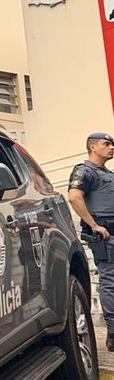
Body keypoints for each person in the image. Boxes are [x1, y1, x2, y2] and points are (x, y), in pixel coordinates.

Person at [67, 131, 114, 352]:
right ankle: (113, 333)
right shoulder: (84, 170)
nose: (111, 147)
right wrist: (94, 225)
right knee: (110, 282)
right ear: (93, 147)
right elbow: (74, 196)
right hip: (106, 237)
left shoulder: (107, 174)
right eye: (106, 143)